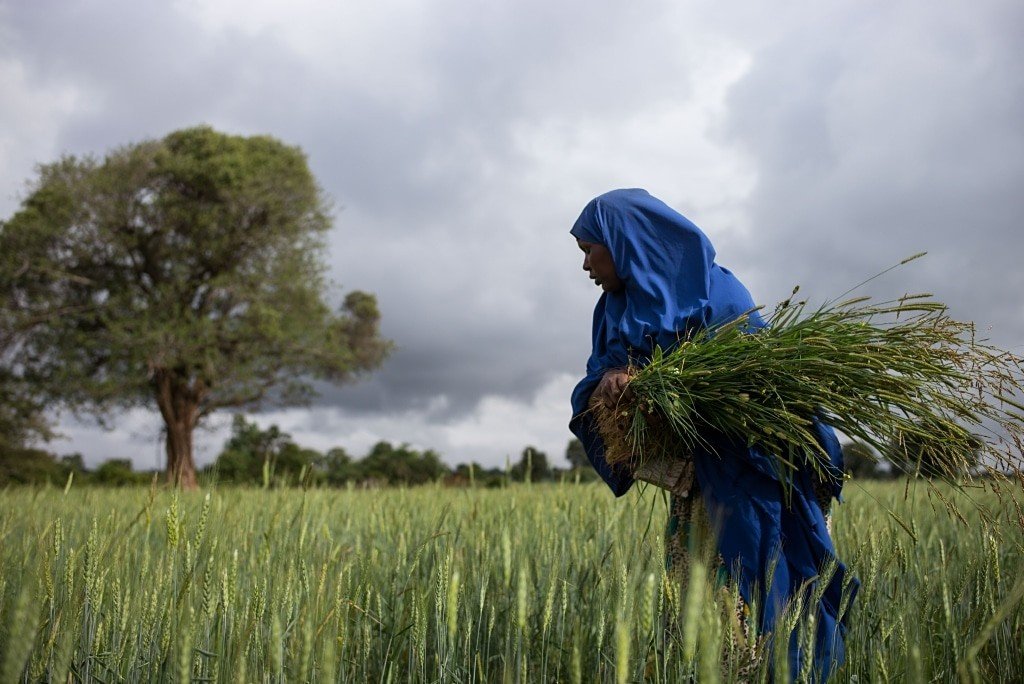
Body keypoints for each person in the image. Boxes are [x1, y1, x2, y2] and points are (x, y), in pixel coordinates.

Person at [568, 188, 856, 680]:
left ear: (625, 243)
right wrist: (609, 387)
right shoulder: (612, 310)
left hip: (753, 479)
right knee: (704, 615)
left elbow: (752, 386)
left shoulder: (717, 294)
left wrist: (655, 381)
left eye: (589, 250)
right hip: (696, 487)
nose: (586, 266)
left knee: (767, 594)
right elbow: (598, 376)